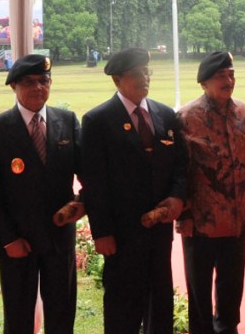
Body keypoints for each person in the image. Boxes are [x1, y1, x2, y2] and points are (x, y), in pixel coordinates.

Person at [79, 48, 187, 334]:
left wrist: (177, 196)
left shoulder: (165, 115)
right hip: (122, 234)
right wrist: (102, 232)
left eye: (146, 72)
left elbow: (180, 164)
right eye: (136, 74)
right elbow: (94, 182)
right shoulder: (98, 121)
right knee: (123, 306)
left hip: (159, 231)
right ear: (117, 80)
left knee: (160, 302)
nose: (144, 78)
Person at [0, 54, 83, 333]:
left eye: (44, 80)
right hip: (19, 241)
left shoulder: (67, 120)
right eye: (29, 82)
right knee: (18, 316)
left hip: (59, 239)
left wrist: (82, 202)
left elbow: (89, 173)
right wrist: (8, 239)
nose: (38, 87)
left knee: (62, 314)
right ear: (14, 86)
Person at [176, 51, 245, 334]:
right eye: (220, 77)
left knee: (232, 281)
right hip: (201, 220)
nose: (228, 81)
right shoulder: (187, 117)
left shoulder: (241, 111)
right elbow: (180, 170)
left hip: (236, 216)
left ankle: (228, 327)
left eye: (231, 75)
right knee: (199, 286)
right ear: (204, 83)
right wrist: (184, 215)